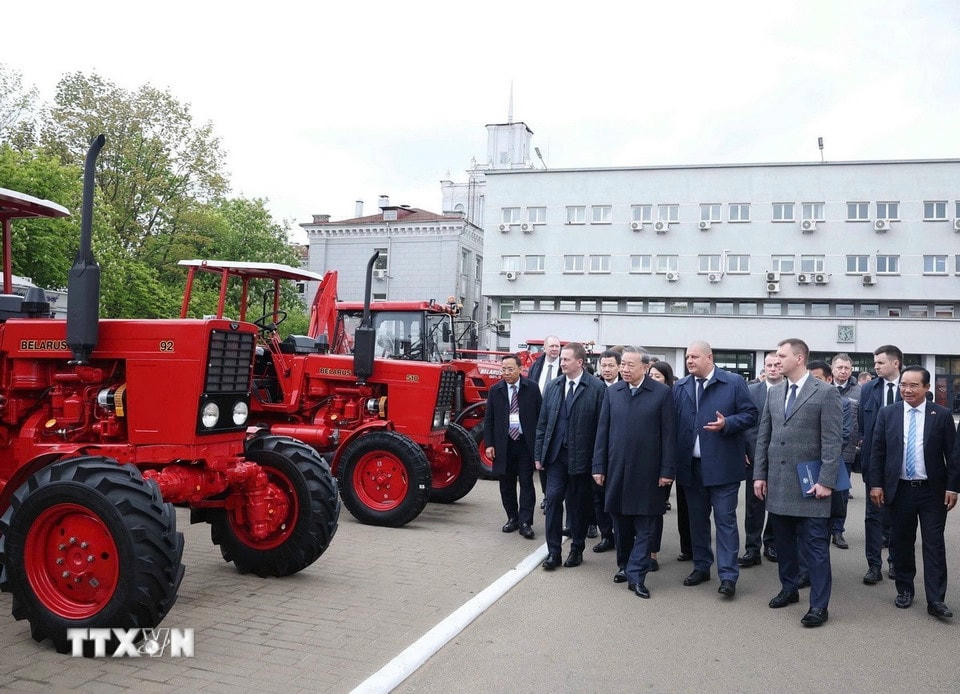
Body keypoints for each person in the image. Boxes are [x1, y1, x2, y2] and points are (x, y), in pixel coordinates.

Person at [754, 338, 843, 628]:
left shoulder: (826, 392)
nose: (776, 360)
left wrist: (826, 481)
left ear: (800, 358)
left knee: (816, 549)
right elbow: (763, 437)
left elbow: (832, 441)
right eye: (775, 356)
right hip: (778, 484)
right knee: (784, 545)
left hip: (811, 486)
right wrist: (759, 474)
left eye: (782, 355)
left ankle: (819, 606)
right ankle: (789, 589)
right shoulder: (775, 392)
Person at [868, 366, 959, 620]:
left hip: (933, 491)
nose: (907, 390)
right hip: (900, 490)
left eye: (913, 385)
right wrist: (876, 485)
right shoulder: (888, 414)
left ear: (927, 388)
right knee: (902, 542)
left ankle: (936, 599)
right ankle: (905, 589)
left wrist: (953, 487)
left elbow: (952, 455)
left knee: (934, 544)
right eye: (903, 385)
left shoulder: (940, 415)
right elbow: (877, 451)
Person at [674, 341, 758, 598]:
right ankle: (701, 567)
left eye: (694, 357)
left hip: (723, 467)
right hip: (691, 468)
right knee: (697, 522)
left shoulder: (732, 382)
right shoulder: (681, 386)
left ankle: (728, 576)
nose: (689, 361)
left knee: (725, 522)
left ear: (709, 358)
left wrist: (728, 423)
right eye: (687, 357)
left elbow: (750, 414)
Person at [593, 346, 676, 599]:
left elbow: (669, 436)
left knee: (646, 525)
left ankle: (637, 575)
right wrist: (598, 466)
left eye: (630, 365)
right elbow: (603, 432)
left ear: (645, 368)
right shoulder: (613, 393)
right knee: (622, 523)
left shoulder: (661, 394)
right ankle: (624, 565)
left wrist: (667, 470)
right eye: (623, 365)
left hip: (649, 472)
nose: (625, 369)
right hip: (617, 469)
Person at [535, 342, 606, 570]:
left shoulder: (596, 388)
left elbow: (601, 429)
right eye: (561, 360)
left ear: (580, 362)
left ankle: (577, 548)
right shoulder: (554, 386)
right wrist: (539, 455)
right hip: (556, 457)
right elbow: (542, 424)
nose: (562, 363)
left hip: (582, 459)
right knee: (553, 500)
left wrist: (598, 463)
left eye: (566, 359)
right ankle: (553, 552)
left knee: (578, 506)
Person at [483, 354, 542, 539]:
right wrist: (489, 444)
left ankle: (526, 522)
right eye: (503, 369)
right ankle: (512, 518)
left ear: (520, 369)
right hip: (503, 444)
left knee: (526, 483)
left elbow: (540, 417)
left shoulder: (531, 388)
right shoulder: (496, 390)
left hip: (525, 444)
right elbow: (489, 419)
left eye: (510, 369)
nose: (506, 373)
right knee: (506, 484)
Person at [859, 345, 902, 585]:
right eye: (874, 363)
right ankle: (873, 565)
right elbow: (863, 426)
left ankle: (895, 561)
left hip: (902, 464)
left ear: (896, 363)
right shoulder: (868, 390)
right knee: (873, 516)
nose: (875, 367)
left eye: (880, 363)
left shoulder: (911, 388)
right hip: (873, 462)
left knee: (897, 516)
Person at [740, 351, 782, 567]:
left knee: (776, 503)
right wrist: (745, 450)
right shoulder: (750, 391)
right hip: (754, 455)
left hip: (781, 458)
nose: (773, 368)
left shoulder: (790, 391)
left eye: (777, 364)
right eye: (769, 365)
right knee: (754, 505)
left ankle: (771, 542)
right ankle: (752, 548)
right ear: (763, 368)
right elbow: (745, 423)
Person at [648, 361, 690, 566]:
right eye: (651, 376)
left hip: (667, 462)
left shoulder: (674, 399)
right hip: (645, 462)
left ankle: (653, 553)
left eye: (658, 376)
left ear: (667, 379)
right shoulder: (643, 397)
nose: (653, 380)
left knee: (656, 508)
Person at [828, 355, 862, 549]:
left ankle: (838, 531)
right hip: (823, 452)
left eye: (847, 368)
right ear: (832, 369)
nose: (843, 371)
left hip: (846, 452)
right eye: (839, 367)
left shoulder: (860, 391)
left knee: (841, 494)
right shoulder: (823, 388)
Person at [591, 350, 621, 553]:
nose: (607, 369)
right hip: (598, 451)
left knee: (618, 497)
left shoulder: (625, 388)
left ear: (619, 366)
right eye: (604, 366)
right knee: (598, 497)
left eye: (611, 365)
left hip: (619, 452)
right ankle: (606, 535)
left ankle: (621, 535)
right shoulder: (594, 388)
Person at [528, 336, 563, 504]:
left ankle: (555, 495)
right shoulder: (536, 366)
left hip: (558, 417)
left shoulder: (564, 367)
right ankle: (546, 495)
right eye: (552, 346)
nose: (555, 349)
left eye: (557, 346)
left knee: (554, 456)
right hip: (538, 417)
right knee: (541, 456)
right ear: (544, 348)